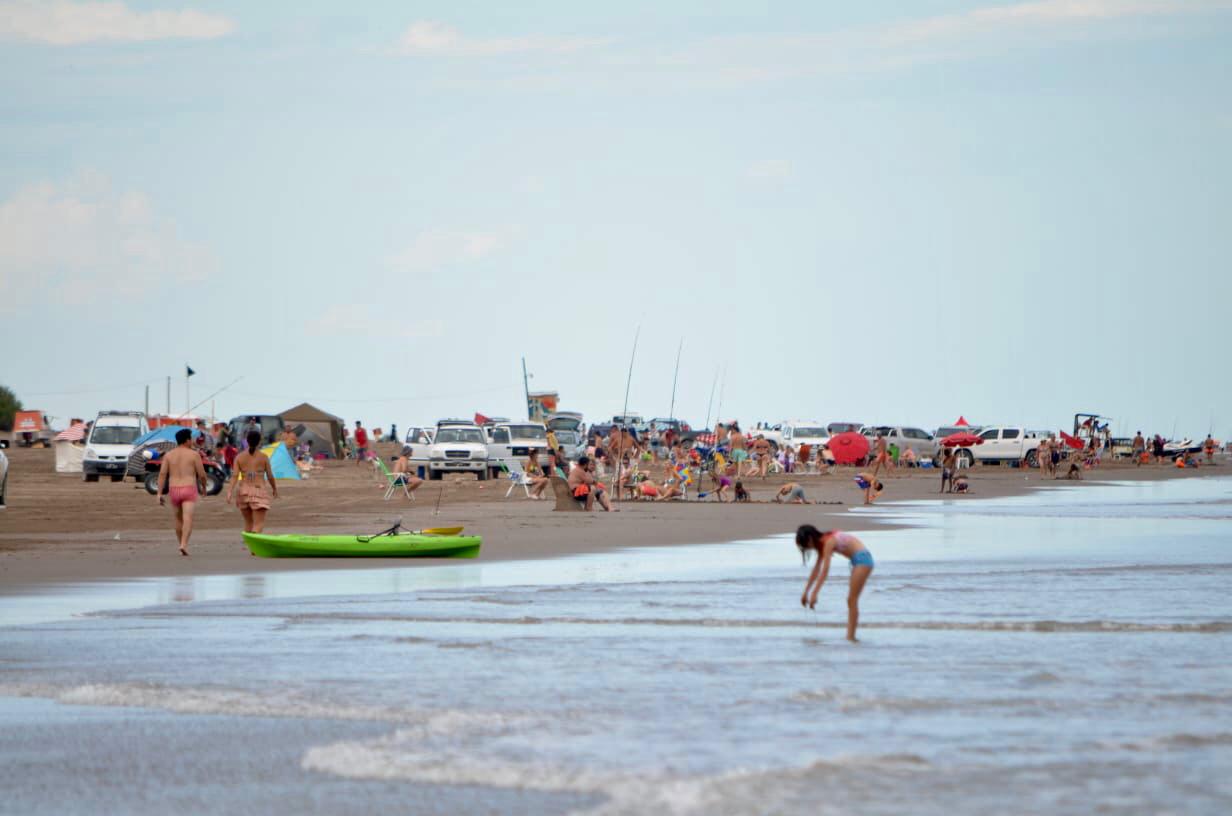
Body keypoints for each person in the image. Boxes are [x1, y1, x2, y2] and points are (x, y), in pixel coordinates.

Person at [796, 525, 875, 642]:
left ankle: (850, 637)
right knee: (851, 600)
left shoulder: (828, 541)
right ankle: (850, 637)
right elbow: (816, 569)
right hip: (857, 561)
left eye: (805, 544)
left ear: (810, 539)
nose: (807, 548)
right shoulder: (823, 542)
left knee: (852, 600)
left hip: (863, 559)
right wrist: (805, 592)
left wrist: (814, 593)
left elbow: (825, 570)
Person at [157, 428, 208, 557]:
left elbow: (162, 474)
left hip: (174, 490)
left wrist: (159, 493)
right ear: (186, 440)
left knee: (178, 520)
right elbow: (202, 474)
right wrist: (204, 487)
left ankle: (181, 543)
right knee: (188, 519)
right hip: (189, 488)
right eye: (191, 438)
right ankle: (184, 544)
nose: (192, 441)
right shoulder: (194, 454)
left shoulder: (169, 455)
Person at [225, 430, 278, 534]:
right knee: (258, 524)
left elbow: (235, 476)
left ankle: (252, 550)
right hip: (258, 491)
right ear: (259, 442)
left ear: (247, 441)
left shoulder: (239, 457)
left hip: (243, 492)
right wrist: (274, 488)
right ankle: (255, 550)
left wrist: (229, 491)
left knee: (248, 524)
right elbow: (270, 476)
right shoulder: (263, 457)